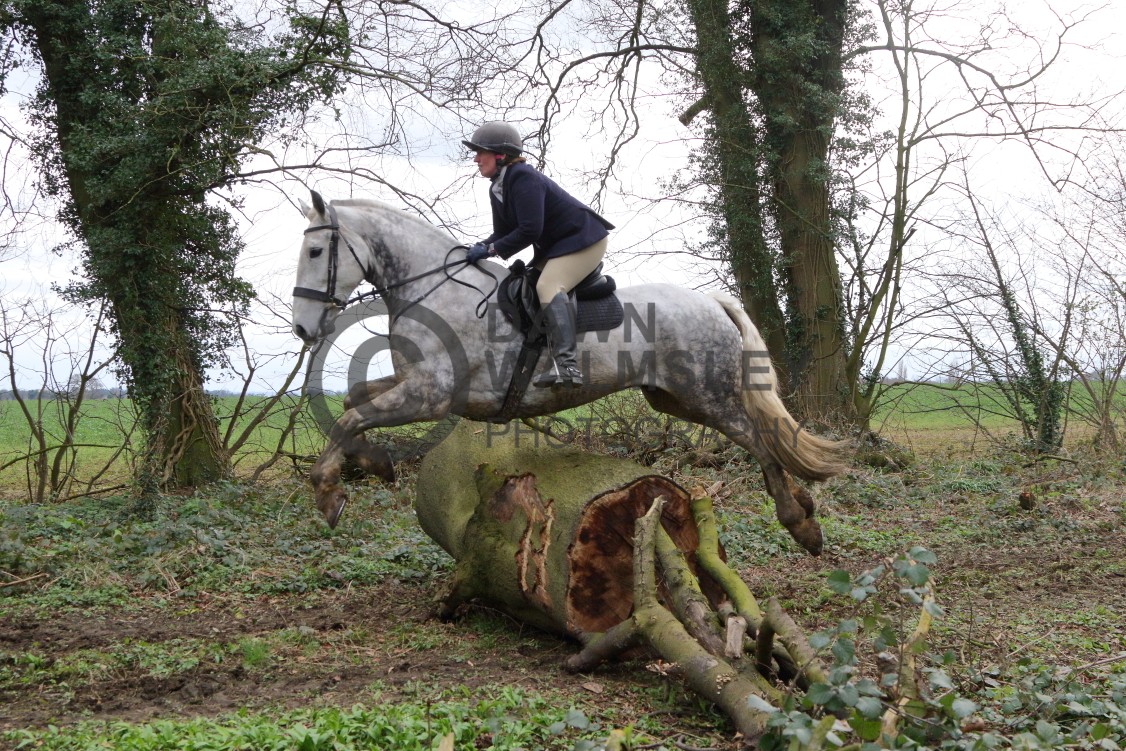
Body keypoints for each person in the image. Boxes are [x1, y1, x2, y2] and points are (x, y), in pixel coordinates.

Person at [462, 121, 614, 388]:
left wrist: (490, 250)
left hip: (584, 239)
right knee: (526, 288)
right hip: (559, 245)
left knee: (548, 286)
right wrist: (480, 246)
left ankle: (567, 366)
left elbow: (530, 230)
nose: (476, 159)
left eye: (480, 152)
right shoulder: (498, 187)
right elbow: (503, 232)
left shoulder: (523, 177)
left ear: (500, 155)